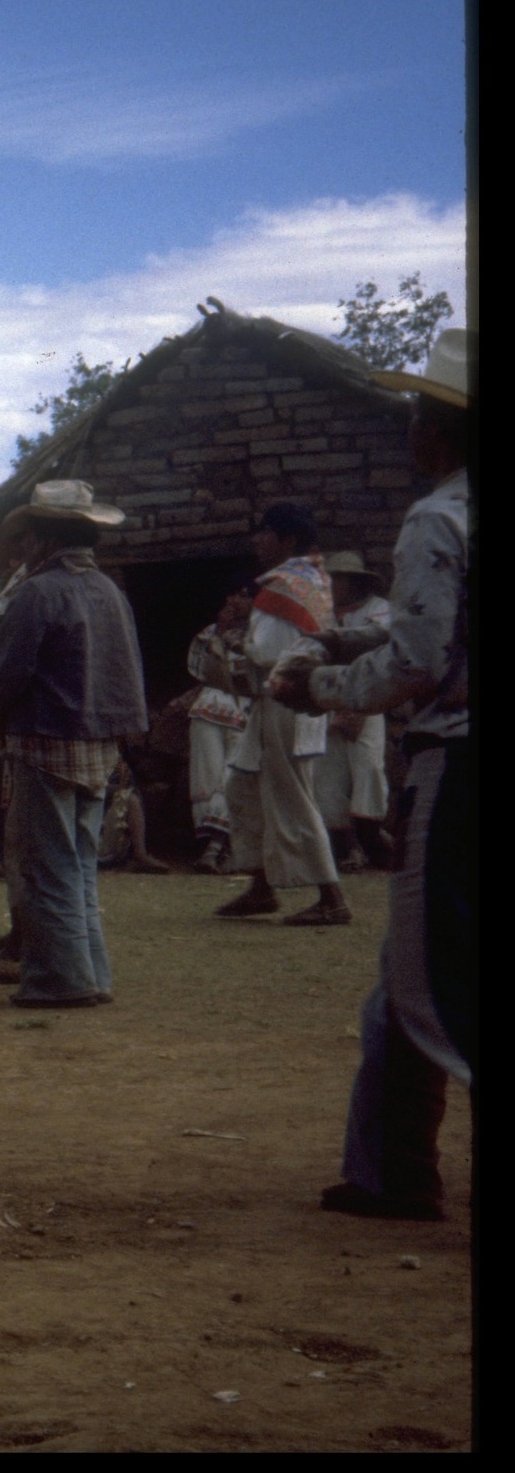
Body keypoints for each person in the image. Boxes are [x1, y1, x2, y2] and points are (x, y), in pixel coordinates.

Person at [274, 329, 470, 1220]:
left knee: (426, 980)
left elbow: (422, 660)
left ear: (439, 430)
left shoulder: (438, 517)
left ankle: (396, 1171)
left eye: (419, 414)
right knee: (413, 978)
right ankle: (394, 1166)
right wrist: (346, 643)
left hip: (457, 765)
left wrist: (319, 684)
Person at [0, 481, 148, 1009]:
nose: (23, 547)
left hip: (47, 739)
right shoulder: (108, 591)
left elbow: (11, 673)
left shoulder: (39, 592)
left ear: (45, 539)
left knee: (49, 865)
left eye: (28, 537)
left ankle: (62, 979)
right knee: (78, 866)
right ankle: (89, 974)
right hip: (98, 744)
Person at [212, 503, 348, 926]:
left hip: (287, 696)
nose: (257, 539)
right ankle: (261, 885)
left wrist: (237, 644)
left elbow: (270, 651)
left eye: (265, 531)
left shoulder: (283, 585)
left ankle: (332, 897)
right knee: (242, 784)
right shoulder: (312, 579)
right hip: (287, 697)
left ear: (287, 539)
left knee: (291, 794)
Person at [313, 552, 393, 871]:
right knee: (327, 774)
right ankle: (346, 847)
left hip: (368, 695)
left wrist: (359, 705)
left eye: (339, 579)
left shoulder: (379, 609)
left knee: (368, 766)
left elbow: (380, 649)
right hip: (329, 697)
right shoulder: (321, 613)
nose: (333, 585)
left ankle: (372, 839)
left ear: (356, 581)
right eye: (330, 579)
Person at [182, 582, 256, 873]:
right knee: (207, 777)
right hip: (208, 709)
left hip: (245, 712)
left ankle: (216, 848)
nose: (237, 600)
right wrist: (220, 633)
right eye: (234, 593)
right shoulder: (210, 632)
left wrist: (225, 667)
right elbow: (199, 669)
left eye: (245, 595)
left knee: (232, 777)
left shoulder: (261, 633)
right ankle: (214, 847)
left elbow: (252, 675)